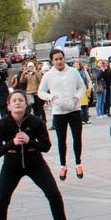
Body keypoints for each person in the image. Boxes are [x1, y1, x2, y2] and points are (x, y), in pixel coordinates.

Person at [0, 89, 72, 220]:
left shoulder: (36, 122)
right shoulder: (2, 125)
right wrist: (11, 143)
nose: (18, 103)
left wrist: (30, 141)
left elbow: (46, 147)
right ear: (8, 106)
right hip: (11, 165)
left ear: (26, 104)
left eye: (21, 100)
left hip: (35, 163)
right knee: (1, 199)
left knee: (53, 193)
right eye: (14, 101)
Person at [38, 49, 87, 181]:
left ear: (64, 58)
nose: (59, 61)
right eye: (56, 59)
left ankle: (78, 163)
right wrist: (50, 97)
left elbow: (82, 87)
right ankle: (63, 165)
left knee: (77, 138)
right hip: (59, 112)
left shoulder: (73, 72)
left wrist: (77, 97)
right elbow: (40, 92)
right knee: (61, 140)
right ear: (52, 61)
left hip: (74, 110)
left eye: (61, 58)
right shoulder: (48, 75)